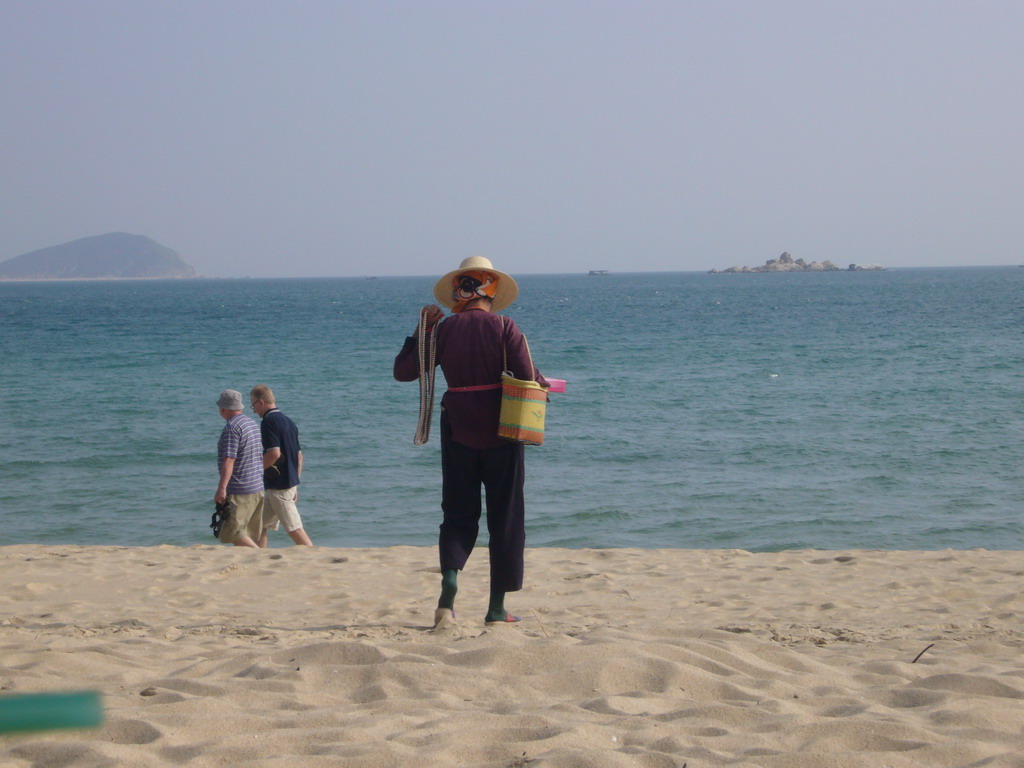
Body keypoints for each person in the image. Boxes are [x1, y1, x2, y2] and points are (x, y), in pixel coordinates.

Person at [394, 256, 547, 628]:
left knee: (458, 513)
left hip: (457, 425)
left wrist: (419, 332)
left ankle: (449, 587)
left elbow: (404, 372)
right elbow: (528, 378)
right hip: (503, 429)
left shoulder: (442, 331)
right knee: (505, 517)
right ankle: (496, 609)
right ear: (490, 291)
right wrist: (544, 385)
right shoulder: (504, 327)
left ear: (459, 292)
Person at [249, 384, 313, 547]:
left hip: (280, 486)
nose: (254, 410)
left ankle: (315, 556)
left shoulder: (268, 421)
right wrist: (295, 483)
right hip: (283, 485)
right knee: (258, 526)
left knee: (295, 528)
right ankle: (258, 559)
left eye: (253, 405)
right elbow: (299, 456)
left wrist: (255, 471)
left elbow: (274, 454)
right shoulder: (288, 422)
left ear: (261, 402)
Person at [214, 389, 265, 548]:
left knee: (233, 532)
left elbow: (229, 460)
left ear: (223, 409)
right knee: (247, 532)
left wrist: (221, 488)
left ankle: (262, 557)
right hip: (257, 486)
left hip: (241, 489)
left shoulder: (232, 427)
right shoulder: (252, 424)